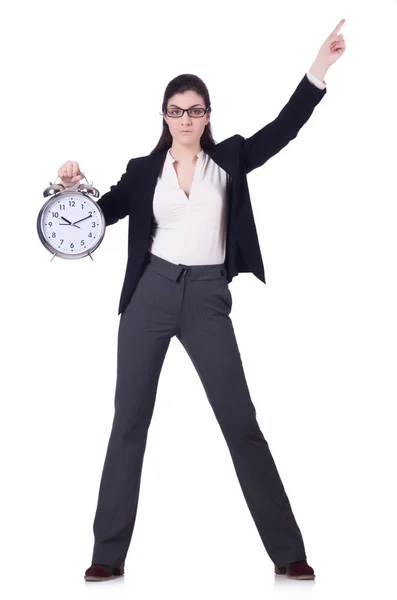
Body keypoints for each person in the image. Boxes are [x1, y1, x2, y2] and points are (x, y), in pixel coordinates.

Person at [58, 20, 346, 583]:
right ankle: (107, 554)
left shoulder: (230, 160)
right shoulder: (144, 172)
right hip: (150, 296)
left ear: (207, 116)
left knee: (241, 422)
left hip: (209, 298)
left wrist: (319, 67)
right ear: (164, 117)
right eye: (175, 110)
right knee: (129, 423)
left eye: (194, 110)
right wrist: (73, 185)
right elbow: (103, 212)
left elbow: (284, 129)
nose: (184, 118)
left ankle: (287, 550)